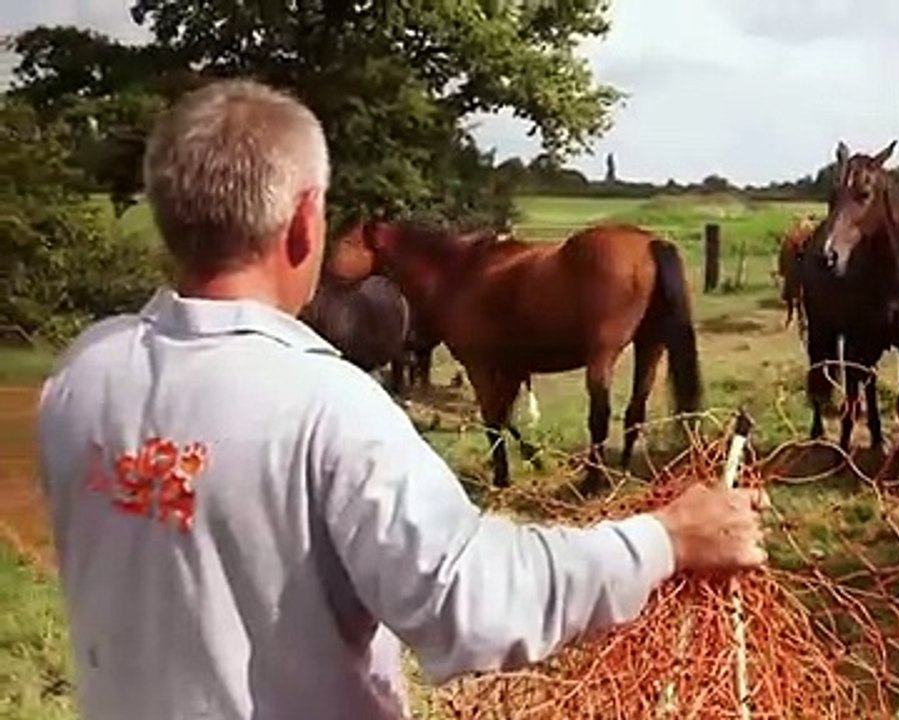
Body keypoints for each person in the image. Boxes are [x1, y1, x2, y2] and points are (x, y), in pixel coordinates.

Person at [36, 79, 768, 720]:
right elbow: (469, 603)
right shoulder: (328, 406)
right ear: (304, 222)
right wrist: (664, 538)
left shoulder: (82, 377)